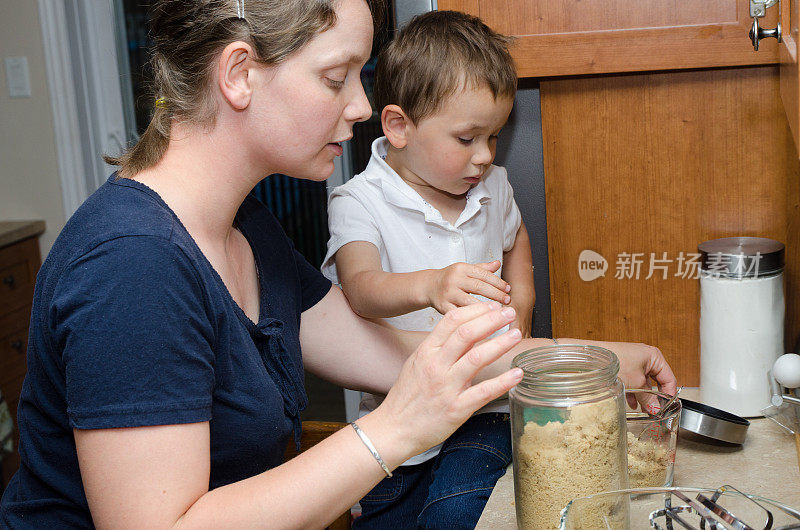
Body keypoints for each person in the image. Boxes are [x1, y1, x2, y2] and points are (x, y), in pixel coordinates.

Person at [0, 0, 676, 528]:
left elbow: (404, 356)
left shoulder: (247, 231)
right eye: (335, 76)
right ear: (238, 75)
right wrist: (396, 427)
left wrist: (612, 362)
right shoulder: (132, 267)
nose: (359, 106)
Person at [320, 11, 532, 528]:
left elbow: (516, 239)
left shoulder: (494, 187)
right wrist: (431, 285)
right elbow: (362, 290)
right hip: (401, 418)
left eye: (494, 137)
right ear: (398, 127)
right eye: (466, 139)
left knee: (461, 514)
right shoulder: (359, 202)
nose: (483, 156)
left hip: (486, 409)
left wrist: (520, 307)